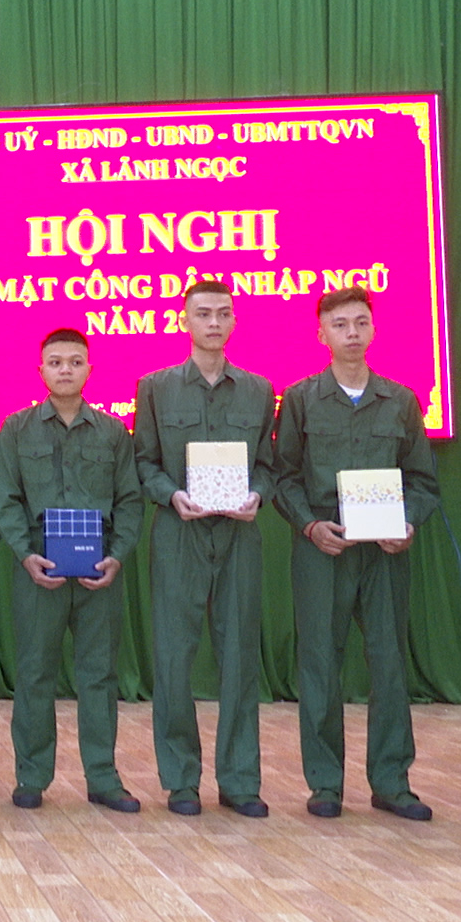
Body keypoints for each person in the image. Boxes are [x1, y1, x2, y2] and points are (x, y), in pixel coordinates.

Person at [273, 286, 440, 822]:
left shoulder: (401, 401)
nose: (351, 333)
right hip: (323, 549)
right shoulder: (300, 399)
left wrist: (408, 521)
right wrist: (309, 524)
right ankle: (325, 784)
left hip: (384, 553)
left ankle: (392, 782)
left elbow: (422, 481)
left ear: (373, 329)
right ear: (321, 334)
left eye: (360, 322)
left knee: (389, 664)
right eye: (340, 324)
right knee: (320, 664)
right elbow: (284, 477)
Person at [132, 280, 275, 819]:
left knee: (239, 658)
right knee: (173, 659)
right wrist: (171, 495)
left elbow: (268, 466)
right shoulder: (155, 387)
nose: (213, 322)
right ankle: (181, 781)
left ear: (234, 321)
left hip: (238, 535)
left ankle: (239, 781)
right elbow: (143, 462)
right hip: (179, 533)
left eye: (223, 313)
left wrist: (257, 494)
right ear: (183, 321)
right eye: (203, 314)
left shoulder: (259, 390)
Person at [0, 328, 144, 812]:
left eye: (75, 362)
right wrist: (24, 554)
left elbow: (130, 500)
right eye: (55, 362)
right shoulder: (16, 429)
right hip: (40, 566)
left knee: (98, 676)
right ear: (41, 371)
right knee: (35, 673)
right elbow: (6, 499)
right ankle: (31, 777)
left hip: (98, 569)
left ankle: (103, 778)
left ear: (89, 370)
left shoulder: (113, 432)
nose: (65, 370)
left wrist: (117, 555)